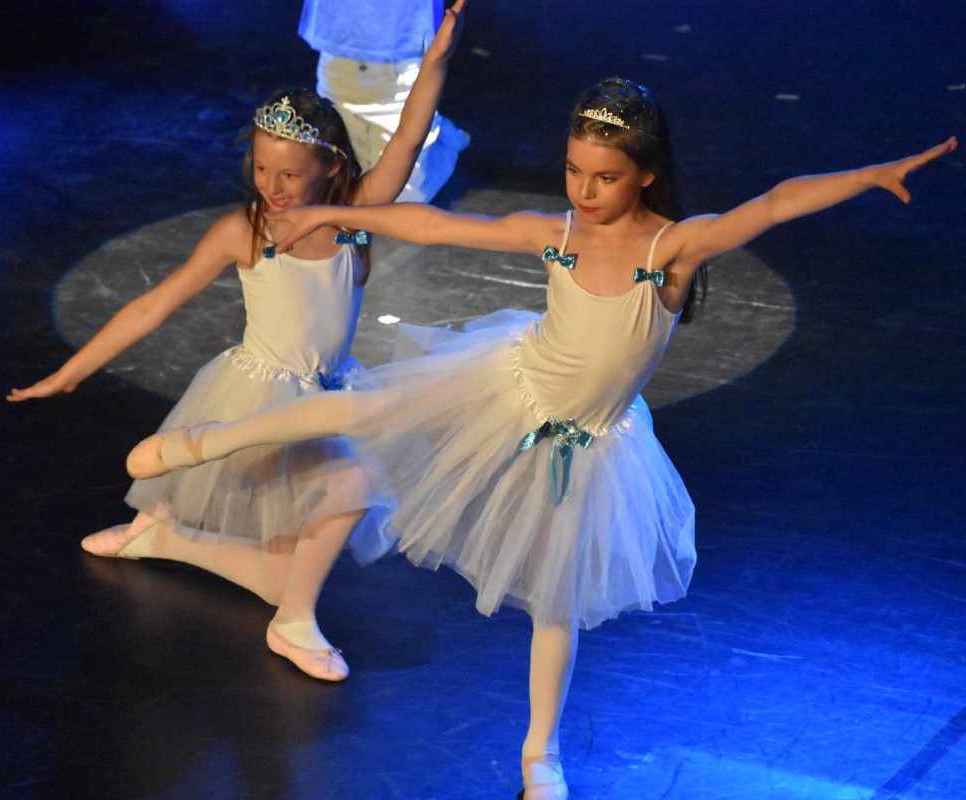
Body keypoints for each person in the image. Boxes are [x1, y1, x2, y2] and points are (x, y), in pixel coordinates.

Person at [125, 77, 956, 799]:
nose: (584, 191)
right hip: (509, 385)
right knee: (370, 409)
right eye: (573, 172)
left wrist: (869, 175)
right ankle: (205, 442)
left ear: (647, 174)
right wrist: (338, 209)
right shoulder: (556, 234)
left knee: (557, 604)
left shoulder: (672, 250)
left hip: (588, 445)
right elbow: (438, 229)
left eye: (605, 177)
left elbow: (770, 205)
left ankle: (540, 756)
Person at [8, 2, 468, 682]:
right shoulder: (244, 232)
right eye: (261, 170)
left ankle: (166, 537)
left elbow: (406, 138)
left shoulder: (352, 220)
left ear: (330, 168)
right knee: (356, 480)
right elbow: (152, 305)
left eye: (289, 175)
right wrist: (69, 373)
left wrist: (437, 56)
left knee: (285, 571)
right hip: (258, 403)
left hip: (326, 397)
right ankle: (292, 625)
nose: (271, 187)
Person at [298, 0, 470, 201]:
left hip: (402, 53)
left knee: (400, 202)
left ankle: (445, 141)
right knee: (338, 186)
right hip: (338, 49)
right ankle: (438, 134)